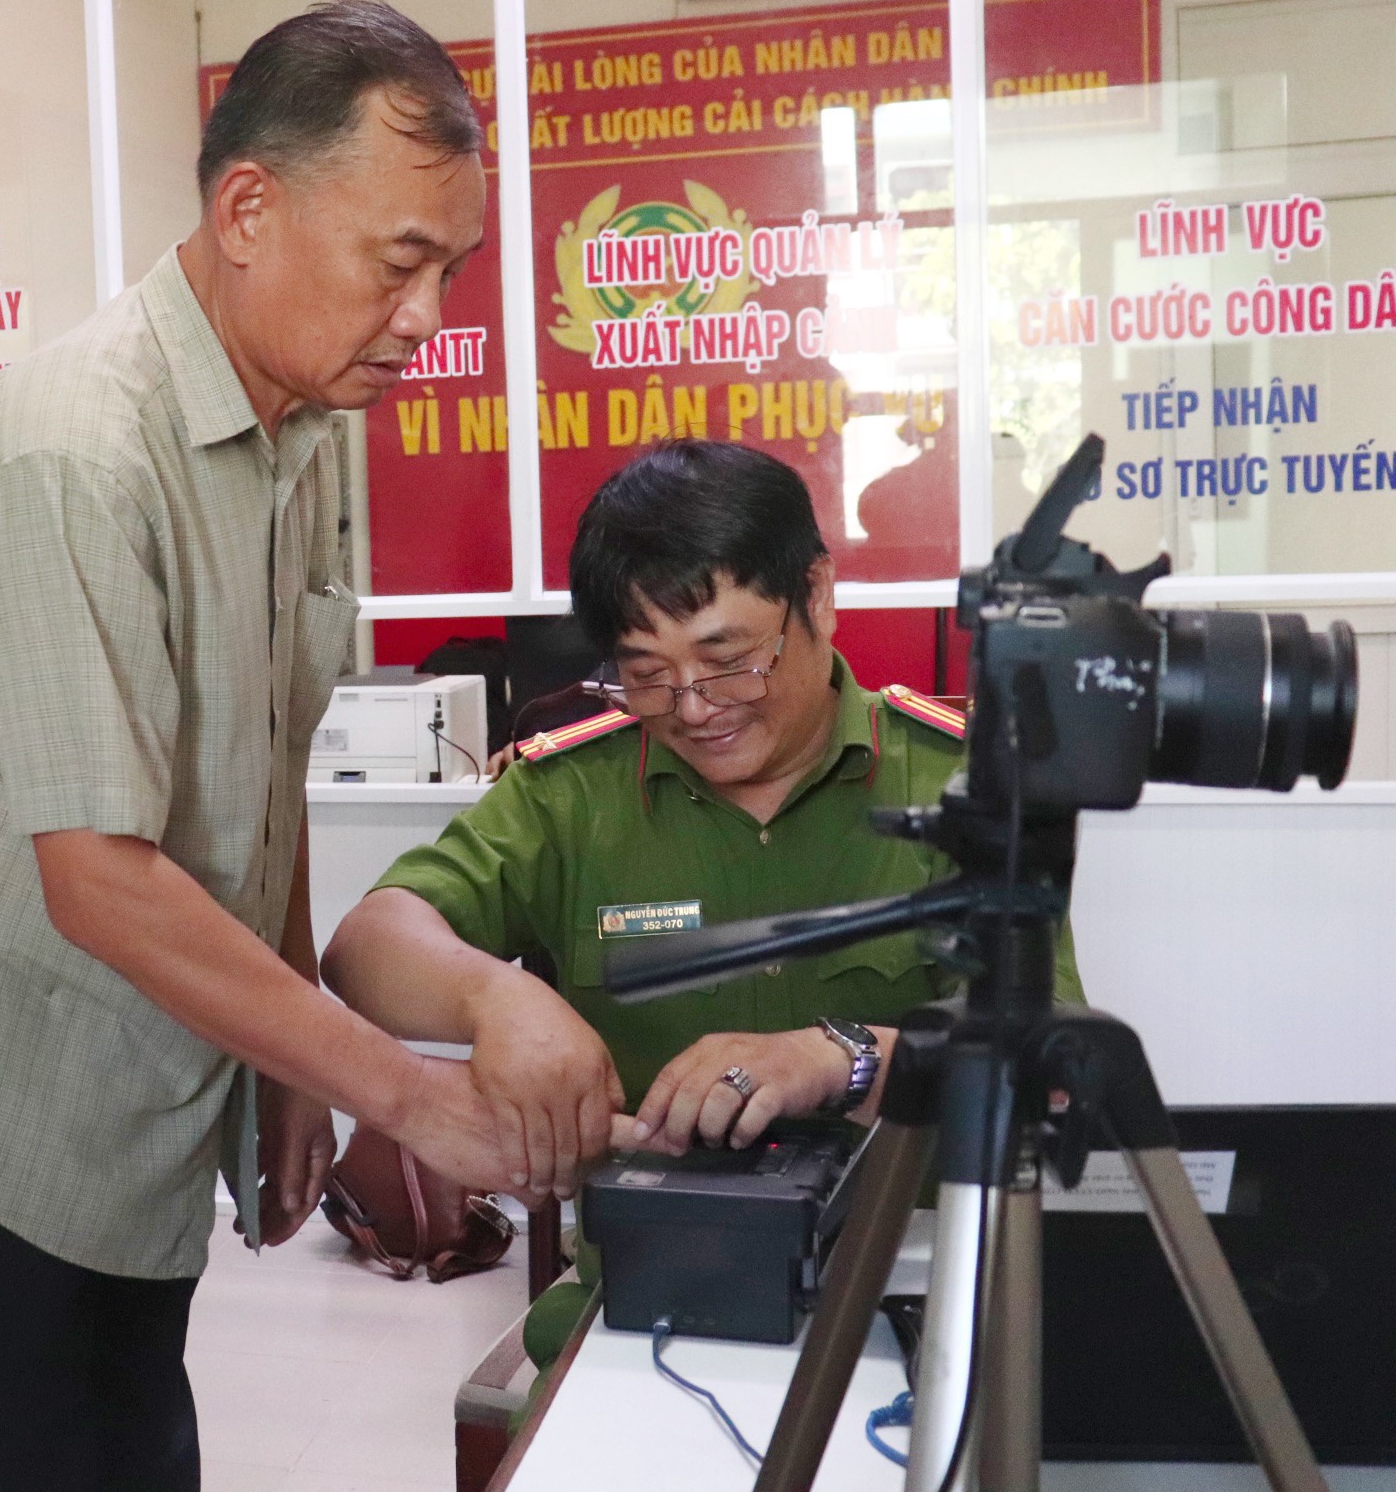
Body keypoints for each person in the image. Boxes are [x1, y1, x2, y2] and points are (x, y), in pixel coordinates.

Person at [0, 0, 613, 1492]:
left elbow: (253, 775)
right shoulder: (75, 449)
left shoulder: (292, 435)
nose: (427, 317)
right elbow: (100, 876)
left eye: (451, 269)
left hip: (129, 1104)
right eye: (398, 262)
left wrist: (284, 1056)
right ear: (249, 208)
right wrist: (401, 1092)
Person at [322, 438, 1084, 1356]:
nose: (692, 706)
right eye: (646, 673)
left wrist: (840, 1060)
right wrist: (497, 1000)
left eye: (728, 658)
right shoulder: (573, 796)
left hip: (912, 1304)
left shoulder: (959, 787)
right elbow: (367, 941)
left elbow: (1052, 1069)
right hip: (651, 1303)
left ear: (816, 597)